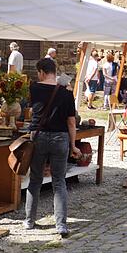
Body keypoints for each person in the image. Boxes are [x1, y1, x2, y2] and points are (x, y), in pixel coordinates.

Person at [24, 58, 81, 238]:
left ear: (41, 71)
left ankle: (29, 221)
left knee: (35, 180)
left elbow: (32, 110)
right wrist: (73, 145)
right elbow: (71, 122)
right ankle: (61, 225)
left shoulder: (34, 88)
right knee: (59, 181)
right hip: (60, 137)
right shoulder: (65, 93)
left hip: (39, 136)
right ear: (54, 72)